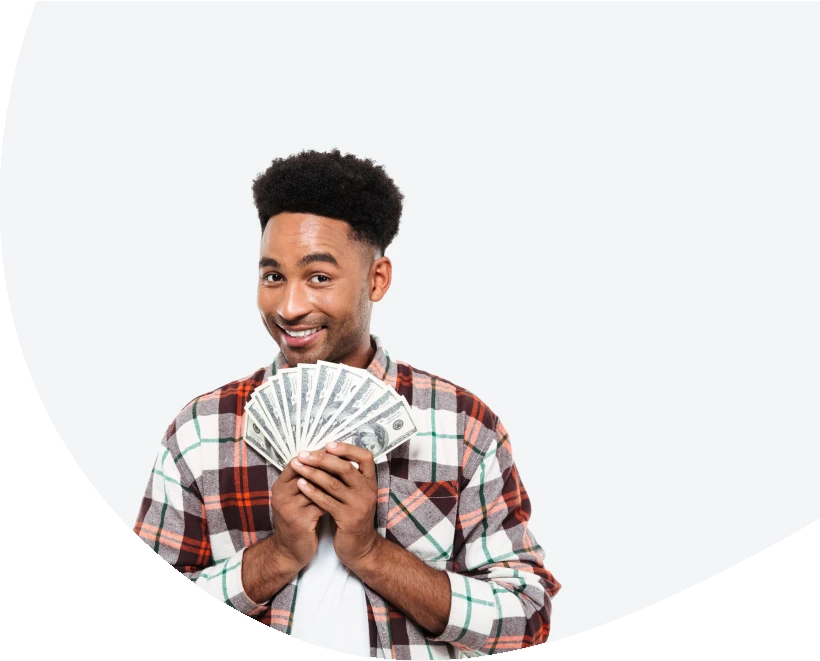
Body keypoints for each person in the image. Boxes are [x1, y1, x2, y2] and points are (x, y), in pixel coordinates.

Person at [133, 150, 560, 659]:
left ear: (377, 279)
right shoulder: (202, 433)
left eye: (318, 277)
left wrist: (372, 553)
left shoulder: (464, 427)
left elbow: (527, 615)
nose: (289, 307)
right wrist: (278, 555)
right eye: (273, 277)